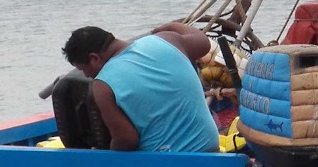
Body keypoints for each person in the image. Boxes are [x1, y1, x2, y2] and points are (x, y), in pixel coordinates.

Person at [61, 22, 220, 153]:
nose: (87, 75)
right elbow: (204, 42)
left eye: (83, 69)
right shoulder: (168, 40)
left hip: (165, 163)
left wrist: (105, 154)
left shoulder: (102, 86)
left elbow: (126, 140)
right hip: (210, 149)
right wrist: (170, 26)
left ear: (94, 58)